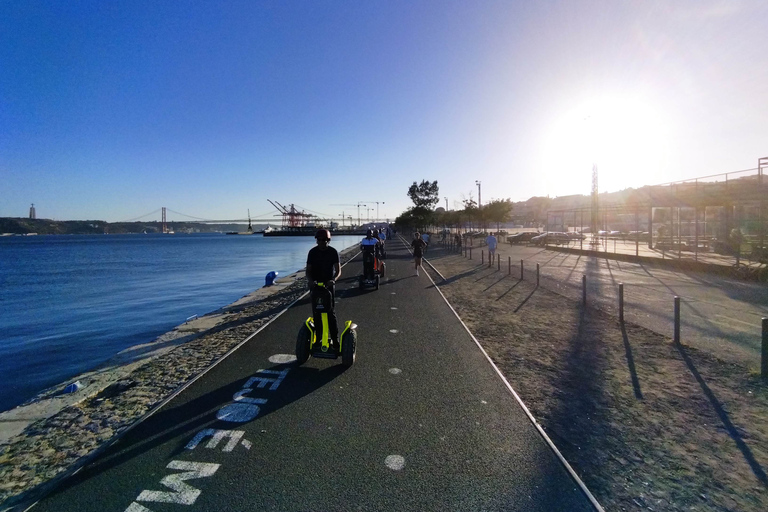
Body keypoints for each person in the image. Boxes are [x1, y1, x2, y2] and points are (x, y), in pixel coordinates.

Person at [306, 229, 341, 344]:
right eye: (319, 240)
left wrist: (333, 280)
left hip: (328, 286)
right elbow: (308, 271)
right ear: (316, 240)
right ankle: (319, 338)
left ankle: (335, 339)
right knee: (317, 313)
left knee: (330, 313)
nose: (321, 242)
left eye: (324, 240)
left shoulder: (333, 252)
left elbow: (338, 270)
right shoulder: (312, 252)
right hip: (315, 286)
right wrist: (310, 281)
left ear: (328, 240)